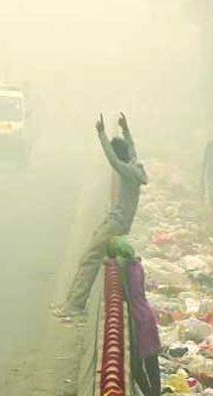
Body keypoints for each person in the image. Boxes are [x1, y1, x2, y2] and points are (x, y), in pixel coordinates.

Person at [57, 113, 147, 316]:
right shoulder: (134, 166)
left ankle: (74, 306)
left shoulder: (125, 170)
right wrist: (126, 129)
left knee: (89, 259)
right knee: (90, 257)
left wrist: (101, 135)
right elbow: (132, 149)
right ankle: (71, 303)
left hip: (115, 223)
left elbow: (112, 159)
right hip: (118, 221)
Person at [111, 238, 162, 396]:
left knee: (137, 365)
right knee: (152, 363)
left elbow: (116, 264)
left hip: (138, 320)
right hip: (147, 316)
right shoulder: (137, 266)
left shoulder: (125, 268)